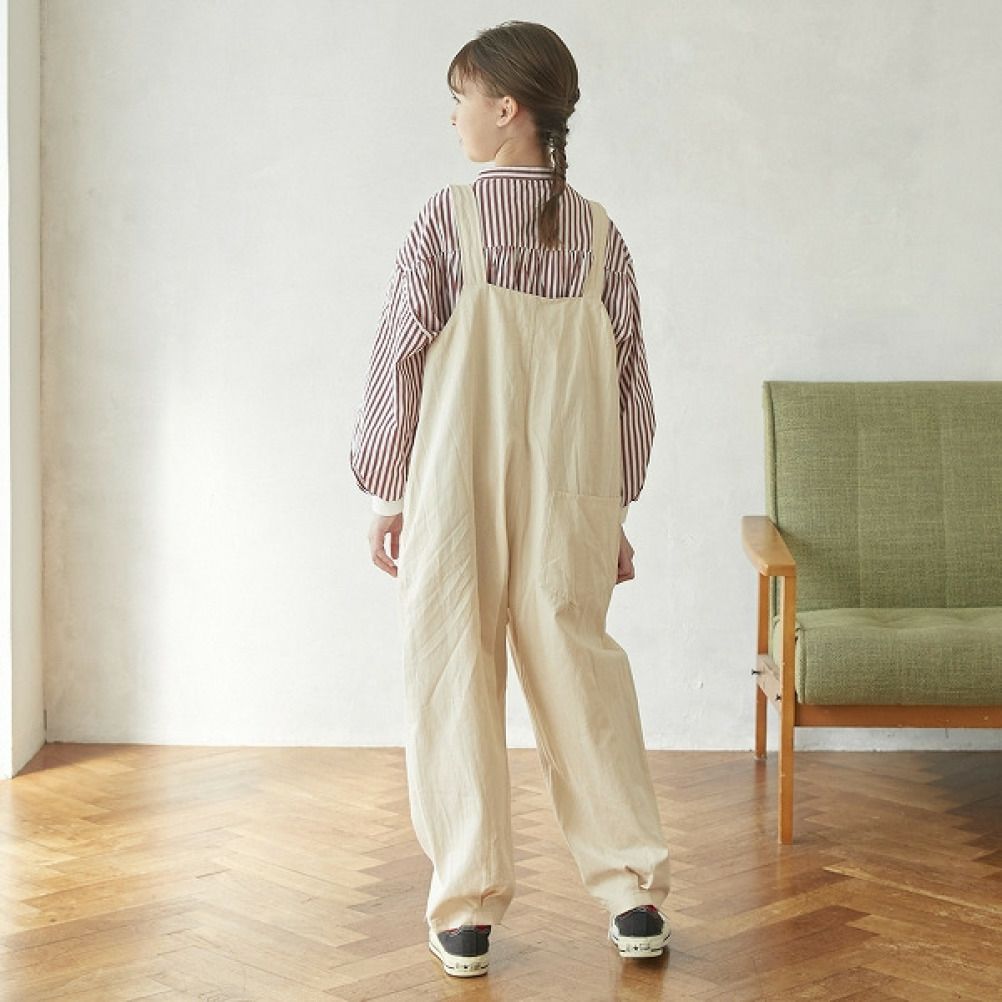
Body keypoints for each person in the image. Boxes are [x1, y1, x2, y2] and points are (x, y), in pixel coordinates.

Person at [349, 20, 671, 980]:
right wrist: (613, 509)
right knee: (582, 675)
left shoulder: (445, 220)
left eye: (461, 98)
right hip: (574, 487)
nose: (453, 117)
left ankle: (466, 910)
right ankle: (634, 896)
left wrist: (386, 489)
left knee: (451, 671)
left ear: (507, 108)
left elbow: (399, 358)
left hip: (453, 481)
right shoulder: (602, 236)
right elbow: (632, 388)